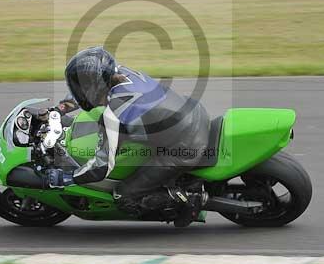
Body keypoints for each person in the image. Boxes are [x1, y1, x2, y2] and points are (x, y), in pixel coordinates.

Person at [46, 46, 211, 227]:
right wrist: (62, 107)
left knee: (123, 195)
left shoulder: (114, 113)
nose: (80, 89)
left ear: (96, 84)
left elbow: (102, 167)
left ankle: (187, 202)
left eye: (82, 85)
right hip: (192, 112)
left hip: (185, 145)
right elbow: (91, 88)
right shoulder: (119, 73)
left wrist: (68, 178)